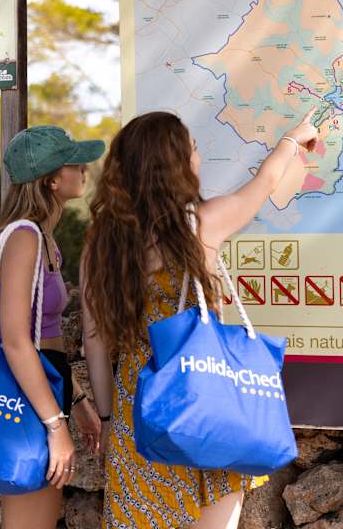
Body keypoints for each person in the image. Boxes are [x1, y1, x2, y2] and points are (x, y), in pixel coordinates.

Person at [82, 109, 318, 529]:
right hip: (202, 400)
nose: (198, 154)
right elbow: (264, 183)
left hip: (138, 411)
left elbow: (94, 341)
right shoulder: (201, 224)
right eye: (191, 147)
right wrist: (292, 139)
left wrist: (105, 417)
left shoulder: (101, 239)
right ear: (175, 163)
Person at [0, 125, 105, 529]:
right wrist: (55, 426)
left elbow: (45, 334)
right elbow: (17, 341)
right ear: (52, 179)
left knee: (40, 518)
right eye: (75, 163)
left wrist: (76, 398)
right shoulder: (23, 238)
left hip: (44, 386)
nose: (84, 168)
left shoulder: (41, 237)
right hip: (28, 394)